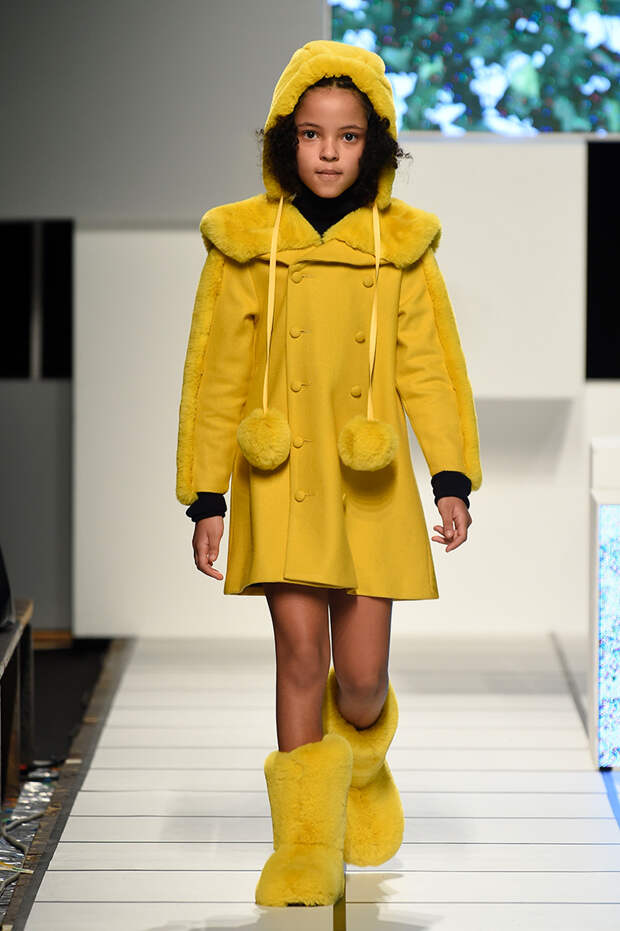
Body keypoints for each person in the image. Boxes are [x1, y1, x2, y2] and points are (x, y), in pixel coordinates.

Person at [175, 39, 482, 908]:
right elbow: (216, 373)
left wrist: (451, 477)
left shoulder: (402, 246)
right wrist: (206, 494)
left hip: (369, 481)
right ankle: (304, 848)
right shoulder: (244, 241)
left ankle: (361, 765)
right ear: (286, 139)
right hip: (282, 477)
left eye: (348, 137)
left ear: (374, 145)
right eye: (312, 134)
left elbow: (431, 366)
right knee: (300, 656)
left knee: (362, 681)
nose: (329, 153)